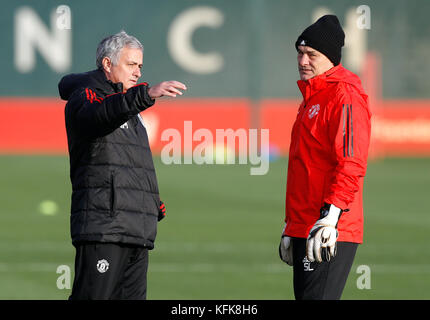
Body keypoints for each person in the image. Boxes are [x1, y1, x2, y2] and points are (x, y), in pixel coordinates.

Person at [58, 31, 186, 300]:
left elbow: (132, 163)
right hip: (104, 227)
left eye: (140, 66)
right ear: (107, 64)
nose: (138, 72)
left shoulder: (129, 109)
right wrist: (146, 94)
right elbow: (99, 116)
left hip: (135, 229)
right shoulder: (86, 97)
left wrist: (152, 203)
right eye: (131, 64)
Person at [278, 15, 371, 300]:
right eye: (300, 52)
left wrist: (331, 219)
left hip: (329, 228)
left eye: (312, 54)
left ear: (331, 58)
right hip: (304, 225)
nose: (303, 60)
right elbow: (306, 169)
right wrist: (291, 224)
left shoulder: (344, 96)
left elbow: (351, 163)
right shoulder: (312, 97)